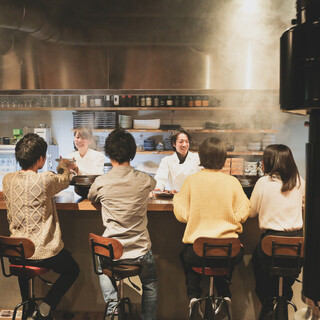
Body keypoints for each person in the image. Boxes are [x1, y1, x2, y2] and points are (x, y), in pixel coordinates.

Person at [2, 133, 79, 320]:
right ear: (41, 159)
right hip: (43, 253)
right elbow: (64, 179)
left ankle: (27, 307)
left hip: (15, 253)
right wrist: (65, 166)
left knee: (22, 255)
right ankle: (44, 308)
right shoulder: (45, 179)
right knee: (72, 269)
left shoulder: (7, 180)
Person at [173, 137, 250, 318]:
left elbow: (182, 215)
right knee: (223, 259)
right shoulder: (232, 182)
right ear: (223, 157)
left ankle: (194, 297)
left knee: (186, 255)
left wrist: (177, 199)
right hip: (229, 251)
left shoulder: (191, 181)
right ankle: (224, 296)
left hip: (197, 253)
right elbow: (244, 213)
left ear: (201, 156)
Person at [88, 129, 158, 320]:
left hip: (112, 252)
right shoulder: (145, 180)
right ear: (132, 153)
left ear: (108, 154)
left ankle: (113, 309)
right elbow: (154, 184)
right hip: (140, 251)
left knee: (100, 261)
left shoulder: (101, 182)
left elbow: (91, 197)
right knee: (150, 282)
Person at [249, 144, 305, 319]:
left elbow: (251, 212)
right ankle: (282, 302)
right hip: (296, 247)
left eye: (264, 159)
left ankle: (269, 305)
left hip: (270, 246)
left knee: (259, 269)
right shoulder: (299, 181)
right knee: (283, 283)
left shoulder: (263, 182)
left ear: (270, 161)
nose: (261, 162)